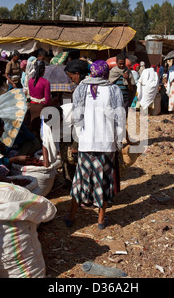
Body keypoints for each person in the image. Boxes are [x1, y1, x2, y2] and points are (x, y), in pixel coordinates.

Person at [65, 60, 125, 230]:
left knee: (81, 180)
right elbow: (119, 119)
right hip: (106, 144)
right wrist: (119, 140)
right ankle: (100, 220)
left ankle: (71, 217)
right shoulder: (114, 90)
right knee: (103, 181)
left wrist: (81, 136)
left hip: (86, 143)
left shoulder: (81, 89)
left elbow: (76, 118)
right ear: (106, 73)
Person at [28, 59, 51, 137]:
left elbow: (30, 94)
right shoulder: (45, 82)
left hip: (32, 108)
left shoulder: (30, 80)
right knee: (42, 131)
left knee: (34, 128)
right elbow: (47, 101)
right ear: (43, 70)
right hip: (41, 108)